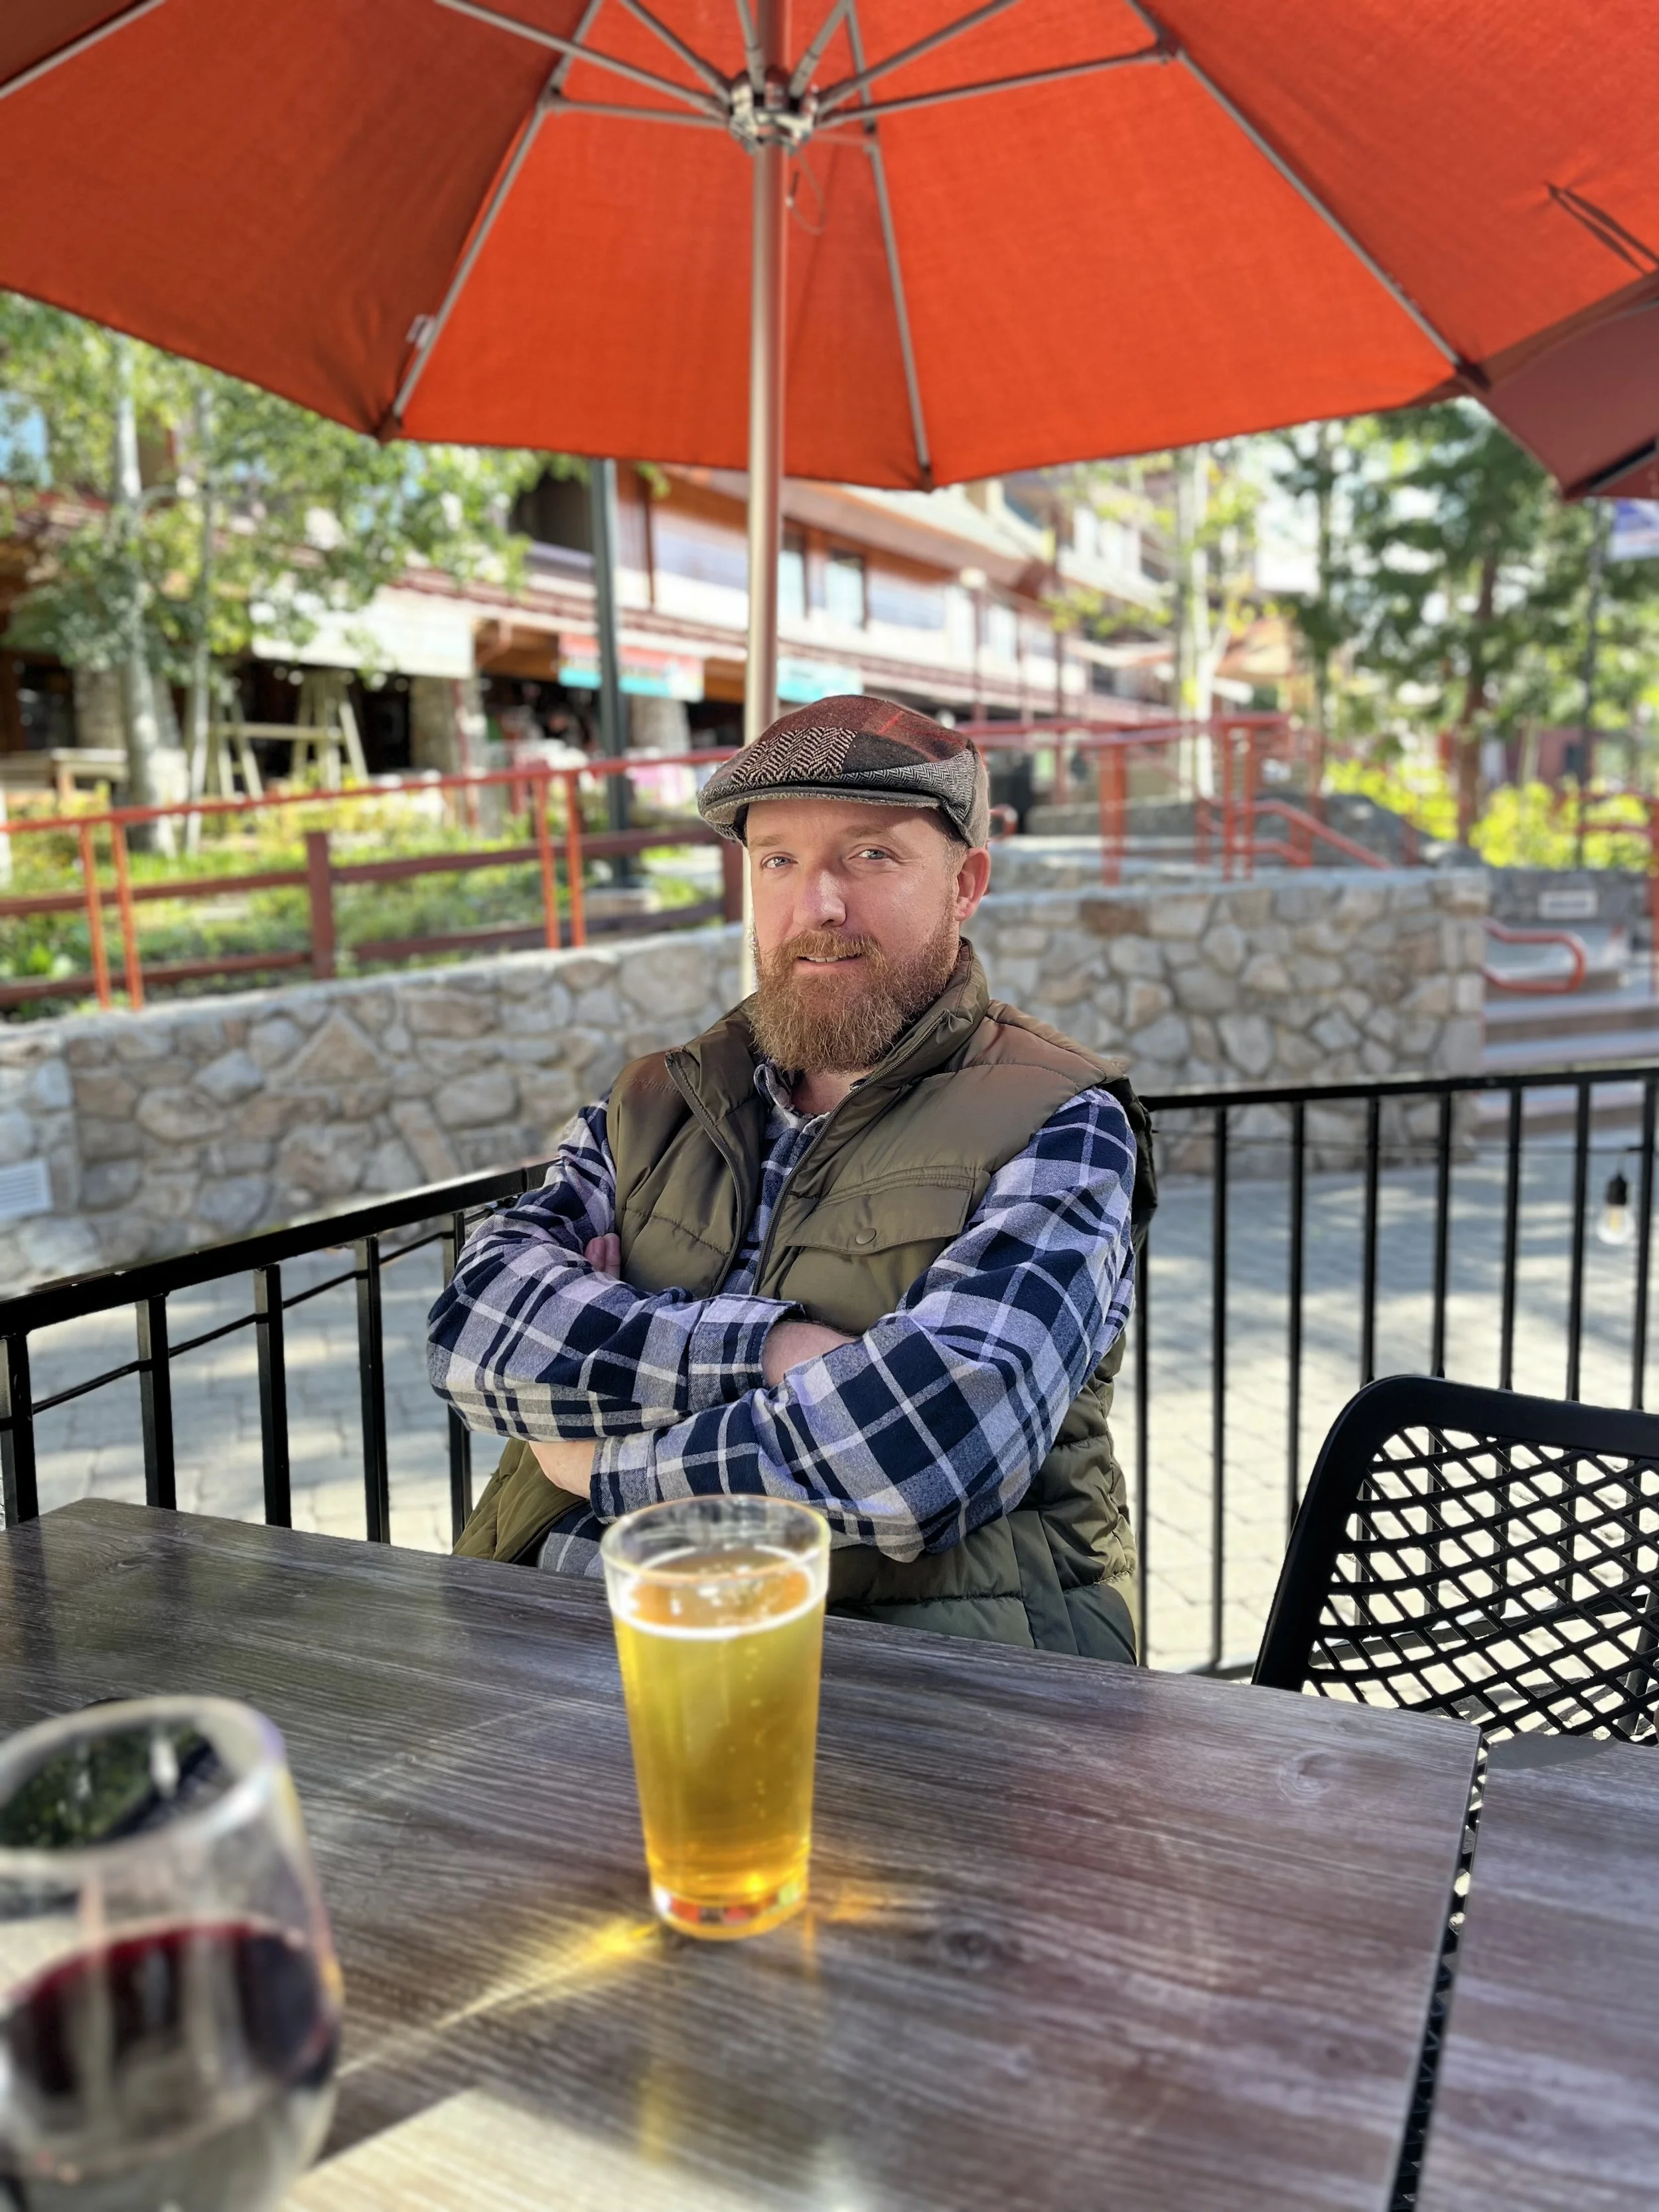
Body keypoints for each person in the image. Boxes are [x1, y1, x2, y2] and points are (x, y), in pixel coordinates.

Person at [426, 696, 1155, 1660]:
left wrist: (594, 1461)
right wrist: (776, 1357)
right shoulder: (662, 1098)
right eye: (778, 860)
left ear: (966, 882)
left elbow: (925, 1451)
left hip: (917, 1683)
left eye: (870, 856)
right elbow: (475, 1329)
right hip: (552, 1638)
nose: (817, 906)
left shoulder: (1059, 1119)